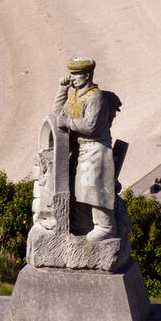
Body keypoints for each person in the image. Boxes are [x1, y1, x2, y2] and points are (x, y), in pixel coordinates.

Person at [53, 58, 121, 243]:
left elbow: (92, 126)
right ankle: (84, 225)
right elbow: (58, 114)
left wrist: (68, 123)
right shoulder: (76, 96)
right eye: (72, 74)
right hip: (80, 149)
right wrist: (62, 90)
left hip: (95, 149)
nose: (73, 78)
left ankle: (106, 226)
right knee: (79, 191)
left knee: (94, 189)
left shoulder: (94, 97)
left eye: (76, 75)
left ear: (87, 75)